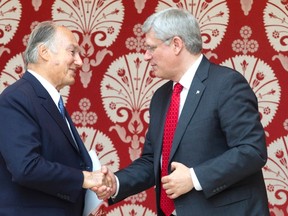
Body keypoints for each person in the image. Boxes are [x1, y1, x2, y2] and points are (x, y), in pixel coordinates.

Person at [95, 8, 270, 216]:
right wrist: (116, 183)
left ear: (177, 44)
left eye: (151, 48)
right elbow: (154, 160)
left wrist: (194, 178)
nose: (145, 56)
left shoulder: (227, 84)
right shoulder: (161, 96)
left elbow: (252, 150)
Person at [0, 21, 110, 216]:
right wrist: (84, 178)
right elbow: (26, 167)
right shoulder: (16, 99)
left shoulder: (46, 99)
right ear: (44, 52)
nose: (79, 61)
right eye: (72, 52)